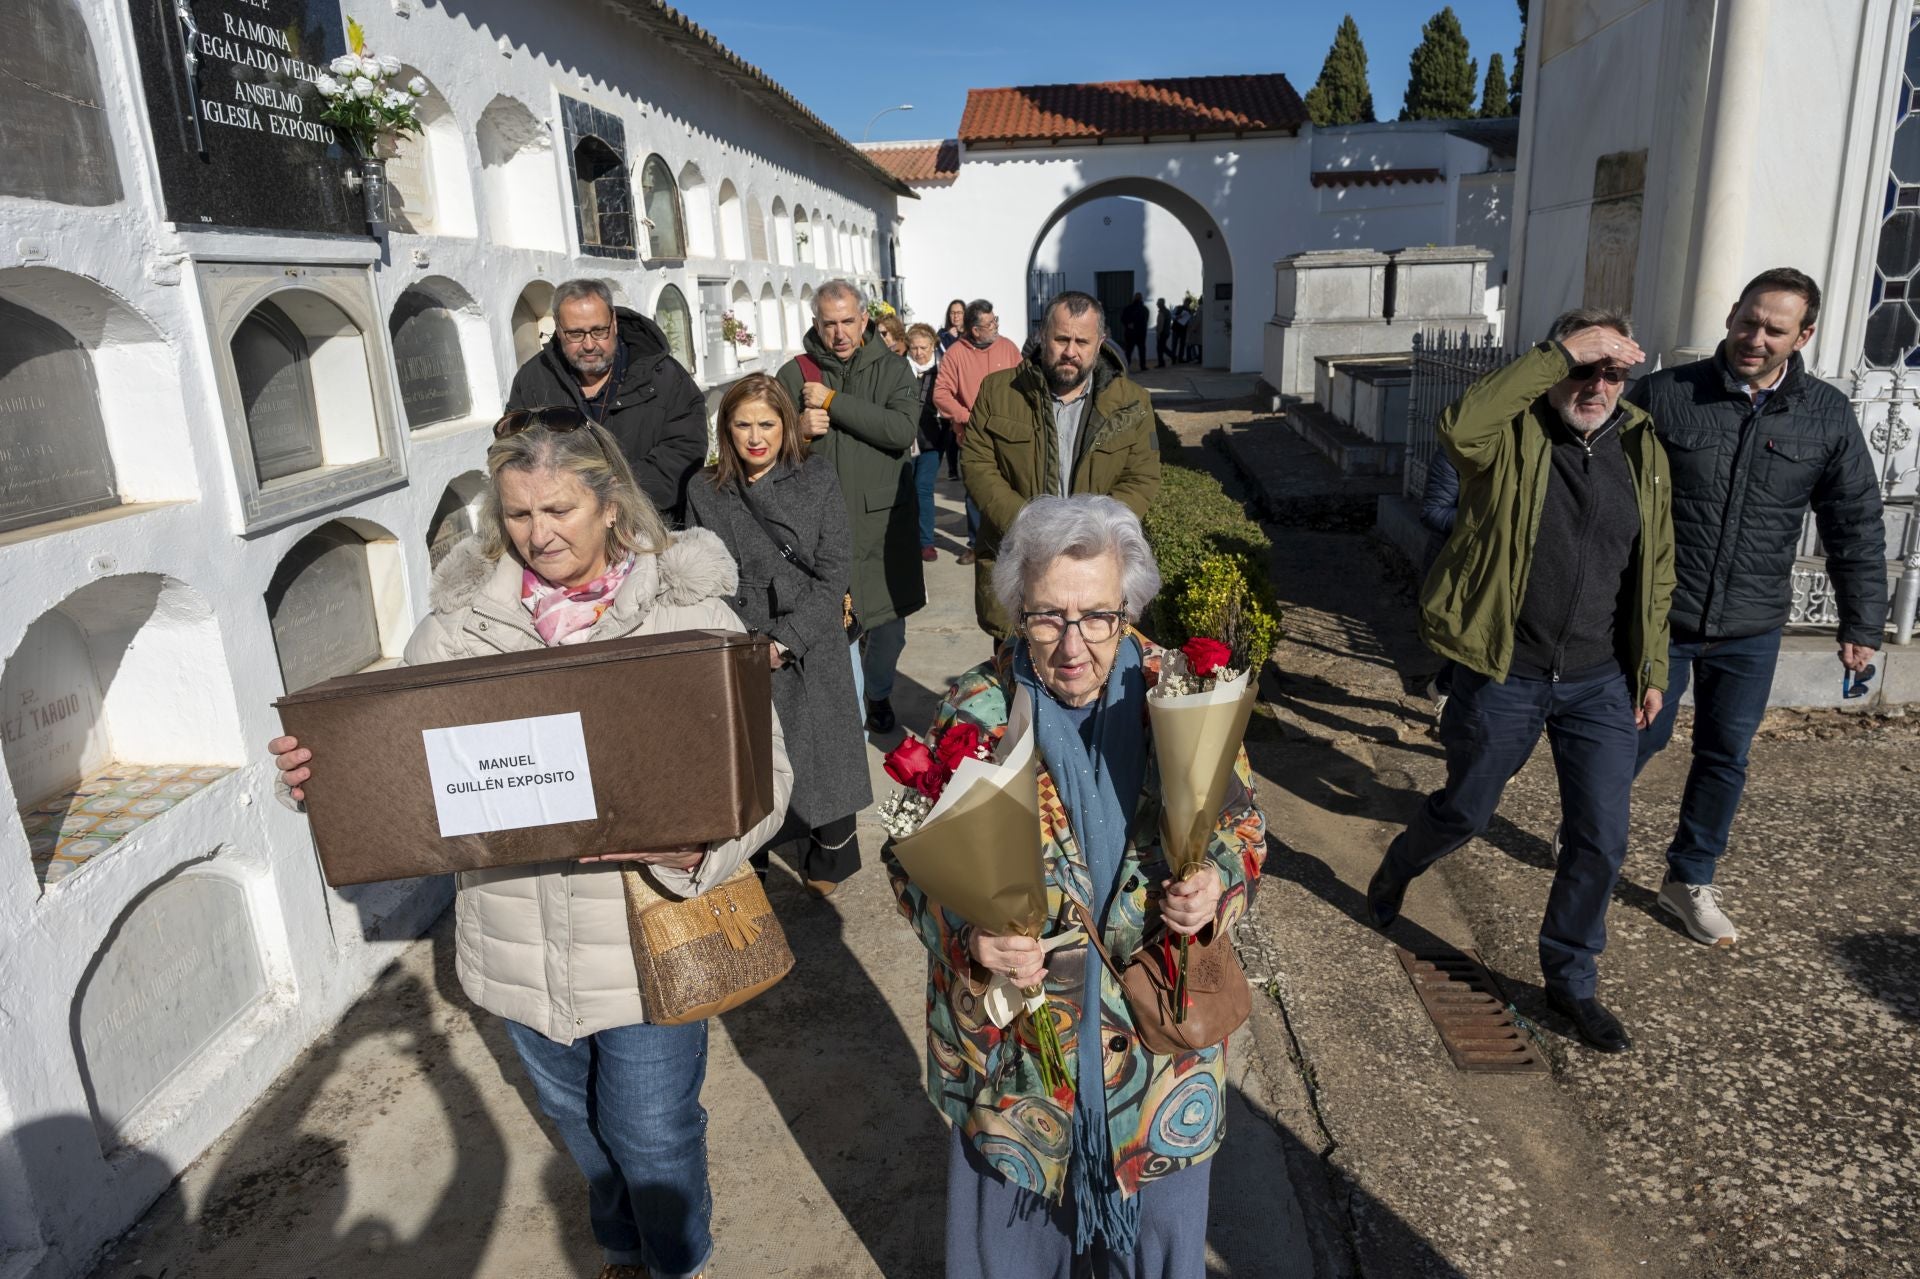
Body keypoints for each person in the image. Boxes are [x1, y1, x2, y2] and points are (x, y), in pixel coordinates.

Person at [269, 406, 794, 1279]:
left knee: (653, 1130)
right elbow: (408, 770)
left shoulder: (687, 619)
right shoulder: (457, 631)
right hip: (512, 939)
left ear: (612, 507)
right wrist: (322, 780)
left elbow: (768, 778)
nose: (537, 535)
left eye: (559, 512)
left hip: (647, 936)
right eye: (517, 514)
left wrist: (696, 854)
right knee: (580, 1125)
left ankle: (678, 1260)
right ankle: (622, 1245)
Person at [885, 494, 1266, 1279]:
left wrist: (1215, 888)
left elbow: (1244, 826)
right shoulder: (975, 710)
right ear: (1016, 610)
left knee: (1157, 1253)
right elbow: (908, 863)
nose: (1072, 643)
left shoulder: (1183, 690)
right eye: (1047, 616)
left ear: (1128, 608)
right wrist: (971, 937)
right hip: (1020, 1056)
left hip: (1157, 1051)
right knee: (1009, 1253)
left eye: (1097, 615)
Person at [1366, 309, 1675, 1055]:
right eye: (1584, 366)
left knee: (1600, 838)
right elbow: (1459, 426)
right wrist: (1559, 354)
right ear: (1556, 360)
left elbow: (1655, 566)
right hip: (1506, 670)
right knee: (1466, 812)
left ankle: (1571, 980)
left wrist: (1653, 665)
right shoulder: (1510, 432)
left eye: (1613, 370)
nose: (1596, 384)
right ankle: (1403, 860)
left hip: (1600, 680)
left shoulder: (1640, 444)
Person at [1626, 268, 1887, 946]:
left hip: (1751, 625)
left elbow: (1853, 519)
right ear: (1731, 317)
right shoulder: (1665, 395)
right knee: (1632, 737)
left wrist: (1860, 623)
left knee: (1725, 755)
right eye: (1749, 320)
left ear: (1802, 336)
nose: (1756, 337)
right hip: (1662, 617)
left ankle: (1689, 878)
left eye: (1775, 328)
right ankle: (1591, 844)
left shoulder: (1827, 414)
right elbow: (1604, 497)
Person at [687, 375, 870, 899]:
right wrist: (742, 643)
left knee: (822, 759)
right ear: (725, 429)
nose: (755, 437)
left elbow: (834, 572)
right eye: (742, 424)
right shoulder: (705, 487)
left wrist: (787, 639)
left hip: (810, 636)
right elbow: (703, 571)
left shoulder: (816, 476)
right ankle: (752, 866)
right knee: (752, 765)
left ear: (786, 425)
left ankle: (826, 858)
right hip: (740, 636)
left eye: (766, 423)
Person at [961, 290, 1163, 641]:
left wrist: (1093, 533)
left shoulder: (1132, 403)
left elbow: (1142, 476)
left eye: (1082, 341)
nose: (1071, 351)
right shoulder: (998, 392)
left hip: (1095, 577)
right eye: (1061, 338)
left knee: (1088, 682)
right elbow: (978, 464)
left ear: (1099, 343)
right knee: (1019, 683)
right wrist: (1030, 526)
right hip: (1020, 569)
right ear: (1042, 336)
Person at [775, 280, 925, 735]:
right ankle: (849, 728)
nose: (839, 333)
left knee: (888, 628)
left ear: (864, 321)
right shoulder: (794, 374)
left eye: (847, 322)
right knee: (835, 634)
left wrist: (834, 402)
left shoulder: (895, 369)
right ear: (815, 324)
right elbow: (760, 446)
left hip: (882, 527)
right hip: (818, 531)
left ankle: (878, 692)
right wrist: (797, 432)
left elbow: (900, 431)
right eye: (828, 324)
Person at [506, 277, 708, 523]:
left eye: (598, 331)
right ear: (558, 330)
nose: (589, 345)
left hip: (647, 523)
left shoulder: (663, 376)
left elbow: (685, 450)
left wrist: (614, 490)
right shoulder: (533, 380)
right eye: (575, 334)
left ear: (613, 322)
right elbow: (510, 450)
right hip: (562, 530)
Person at [933, 299, 1024, 566]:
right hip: (972, 437)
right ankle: (976, 545)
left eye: (996, 320)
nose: (996, 326)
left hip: (1008, 436)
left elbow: (1025, 383)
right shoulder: (956, 354)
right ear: (974, 330)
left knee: (1011, 488)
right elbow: (940, 393)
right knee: (975, 491)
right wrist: (965, 417)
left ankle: (1011, 543)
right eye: (991, 323)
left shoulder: (1008, 348)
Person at [905, 322, 946, 563]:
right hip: (905, 438)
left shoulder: (942, 368)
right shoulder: (900, 368)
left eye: (923, 347)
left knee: (923, 487)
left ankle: (926, 542)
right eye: (914, 348)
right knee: (907, 489)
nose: (919, 353)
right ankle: (909, 538)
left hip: (932, 438)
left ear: (933, 345)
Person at [1120, 292, 1150, 372]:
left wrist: (1129, 324)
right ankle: (1143, 366)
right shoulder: (1144, 309)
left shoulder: (1128, 308)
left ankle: (1125, 366)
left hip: (1130, 333)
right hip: (1141, 333)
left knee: (1129, 351)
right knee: (1141, 350)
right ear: (1141, 299)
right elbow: (1145, 321)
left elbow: (1123, 319)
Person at [1168, 300, 1191, 367]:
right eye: (1186, 302)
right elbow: (1171, 315)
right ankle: (1173, 359)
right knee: (1174, 344)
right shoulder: (1178, 307)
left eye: (1188, 303)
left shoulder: (1189, 310)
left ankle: (1180, 358)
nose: (1187, 304)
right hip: (1176, 328)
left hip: (1183, 329)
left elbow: (1189, 320)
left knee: (1182, 344)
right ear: (1184, 302)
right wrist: (1177, 317)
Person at [1154, 298, 1173, 369]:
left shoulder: (1162, 312)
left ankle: (1161, 363)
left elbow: (1161, 324)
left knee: (1160, 348)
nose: (1156, 304)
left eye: (1158, 303)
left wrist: (1158, 333)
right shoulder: (1167, 311)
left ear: (1160, 304)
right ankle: (1172, 357)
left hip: (1162, 333)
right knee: (1163, 347)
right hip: (1166, 332)